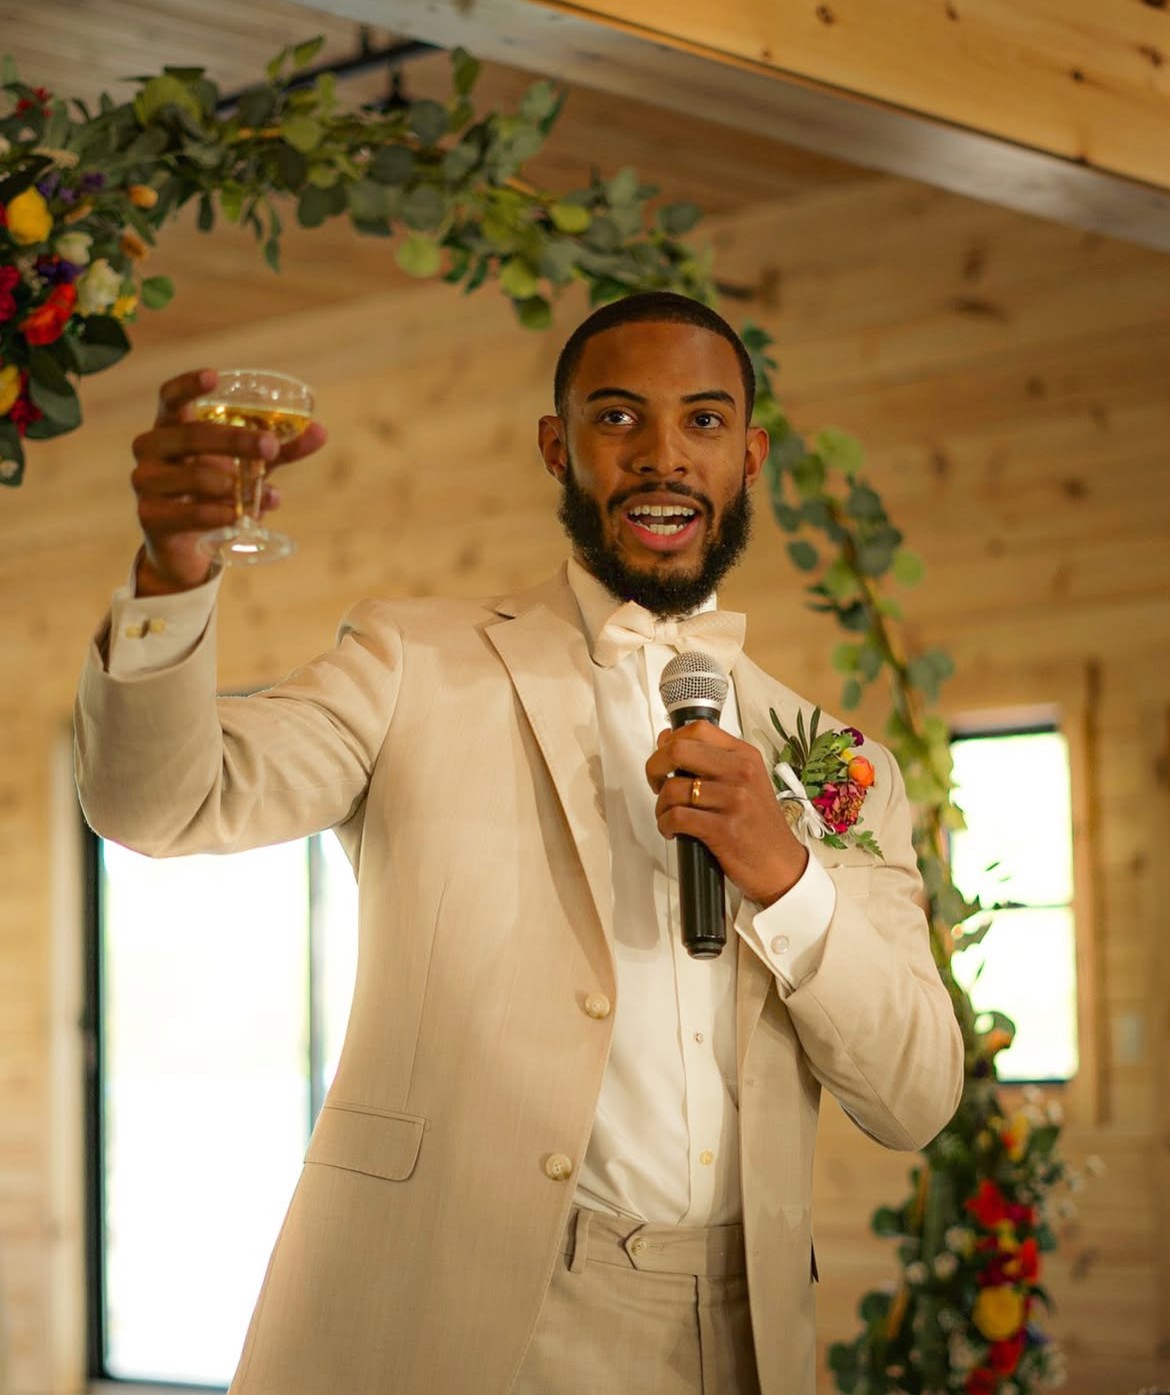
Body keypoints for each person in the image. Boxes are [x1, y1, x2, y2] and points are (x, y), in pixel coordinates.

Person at [75, 292, 963, 1395]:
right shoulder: (414, 662)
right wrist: (173, 581)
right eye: (618, 418)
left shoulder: (834, 761)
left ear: (749, 454)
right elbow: (161, 804)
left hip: (743, 1330)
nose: (663, 456)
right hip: (466, 1311)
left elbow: (917, 1096)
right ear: (559, 447)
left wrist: (786, 877)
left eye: (702, 421)